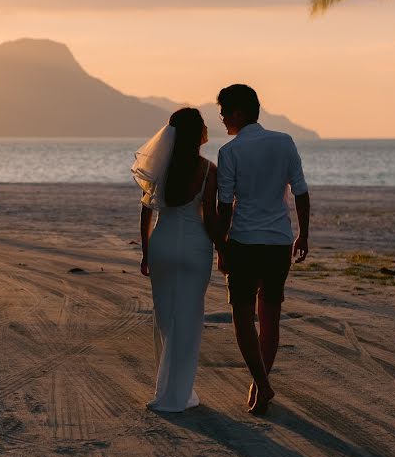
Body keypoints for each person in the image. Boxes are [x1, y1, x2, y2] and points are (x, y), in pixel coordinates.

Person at [215, 84, 310, 415]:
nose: (223, 119)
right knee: (270, 317)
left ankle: (263, 383)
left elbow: (224, 205)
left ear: (239, 113)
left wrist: (221, 246)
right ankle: (260, 384)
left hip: (244, 243)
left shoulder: (229, 152)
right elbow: (300, 191)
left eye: (224, 113)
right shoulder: (284, 143)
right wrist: (303, 234)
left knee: (242, 316)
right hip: (278, 243)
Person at [132, 108, 222, 412]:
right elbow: (210, 218)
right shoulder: (209, 170)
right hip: (195, 248)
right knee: (189, 320)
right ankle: (179, 394)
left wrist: (146, 252)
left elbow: (146, 212)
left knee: (165, 318)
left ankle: (166, 390)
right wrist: (223, 247)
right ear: (198, 134)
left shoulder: (161, 169)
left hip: (163, 245)